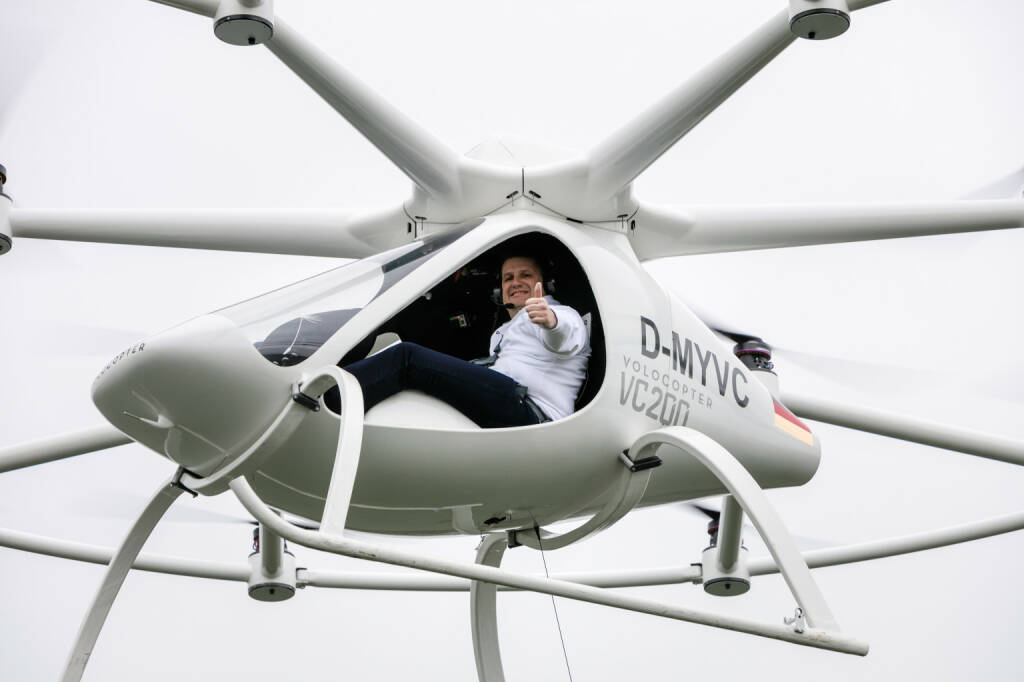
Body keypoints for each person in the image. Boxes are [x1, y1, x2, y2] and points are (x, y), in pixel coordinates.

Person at [339, 254, 591, 427]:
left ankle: (332, 398)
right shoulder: (504, 331)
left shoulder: (559, 313)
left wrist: (550, 322)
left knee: (406, 358)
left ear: (545, 284)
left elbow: (566, 338)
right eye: (508, 278)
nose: (515, 282)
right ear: (499, 291)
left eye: (525, 275)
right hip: (511, 403)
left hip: (533, 411)